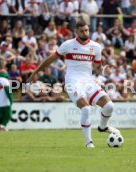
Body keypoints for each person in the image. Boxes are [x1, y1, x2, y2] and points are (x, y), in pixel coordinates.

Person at [27, 20, 120, 148]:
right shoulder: (68, 45)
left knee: (109, 106)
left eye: (87, 30)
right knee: (86, 109)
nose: (85, 33)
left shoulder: (96, 47)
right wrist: (34, 73)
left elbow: (98, 67)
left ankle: (102, 127)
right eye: (82, 31)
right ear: (76, 31)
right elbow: (50, 59)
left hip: (88, 81)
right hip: (73, 81)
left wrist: (104, 70)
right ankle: (89, 142)